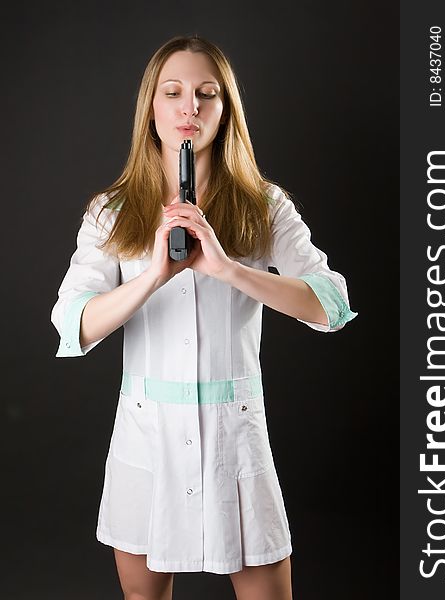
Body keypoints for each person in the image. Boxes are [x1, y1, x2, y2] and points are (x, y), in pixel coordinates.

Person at [51, 35, 358, 600]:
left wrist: (226, 269)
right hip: (147, 436)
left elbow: (332, 305)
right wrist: (153, 277)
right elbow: (74, 324)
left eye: (206, 94)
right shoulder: (111, 212)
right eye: (173, 92)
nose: (189, 107)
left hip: (235, 437)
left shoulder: (264, 205)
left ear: (226, 108)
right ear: (152, 107)